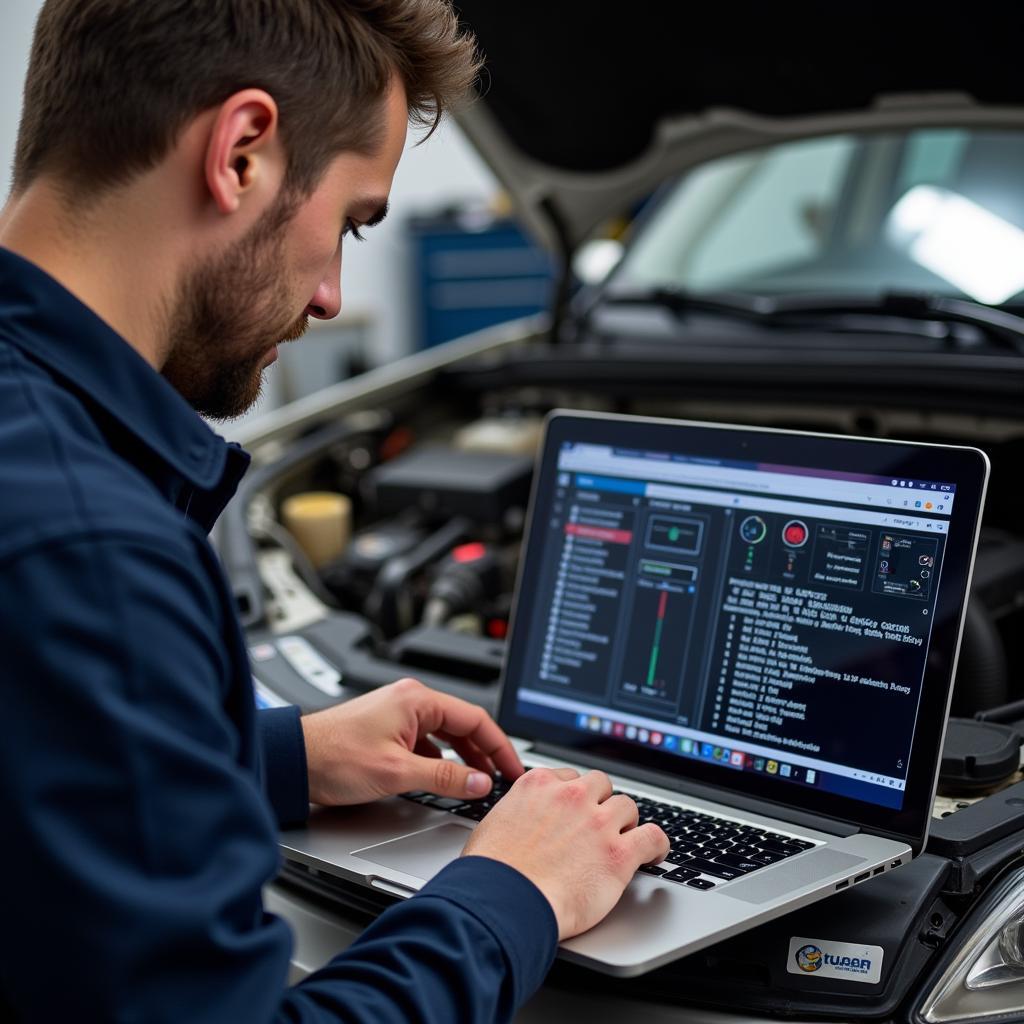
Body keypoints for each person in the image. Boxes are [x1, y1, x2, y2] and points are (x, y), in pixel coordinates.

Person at [0, 1, 670, 1021]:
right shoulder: (91, 552)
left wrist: (272, 757)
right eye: (353, 221)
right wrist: (514, 891)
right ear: (242, 152)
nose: (328, 296)